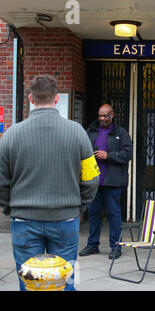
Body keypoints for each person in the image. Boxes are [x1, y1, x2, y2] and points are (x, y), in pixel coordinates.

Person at [0, 74, 99, 291]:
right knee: (66, 280)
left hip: (24, 220)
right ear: (56, 99)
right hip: (65, 219)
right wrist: (78, 206)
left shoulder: (10, 135)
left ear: (30, 98)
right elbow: (91, 178)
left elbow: (1, 182)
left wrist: (10, 208)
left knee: (29, 283)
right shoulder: (78, 133)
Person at [79, 104, 133, 260]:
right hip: (94, 182)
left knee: (114, 214)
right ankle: (92, 245)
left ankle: (116, 246)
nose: (102, 118)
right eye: (100, 115)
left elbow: (127, 154)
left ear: (112, 115)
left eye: (105, 116)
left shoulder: (121, 133)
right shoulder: (91, 131)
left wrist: (108, 155)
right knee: (94, 214)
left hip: (113, 182)